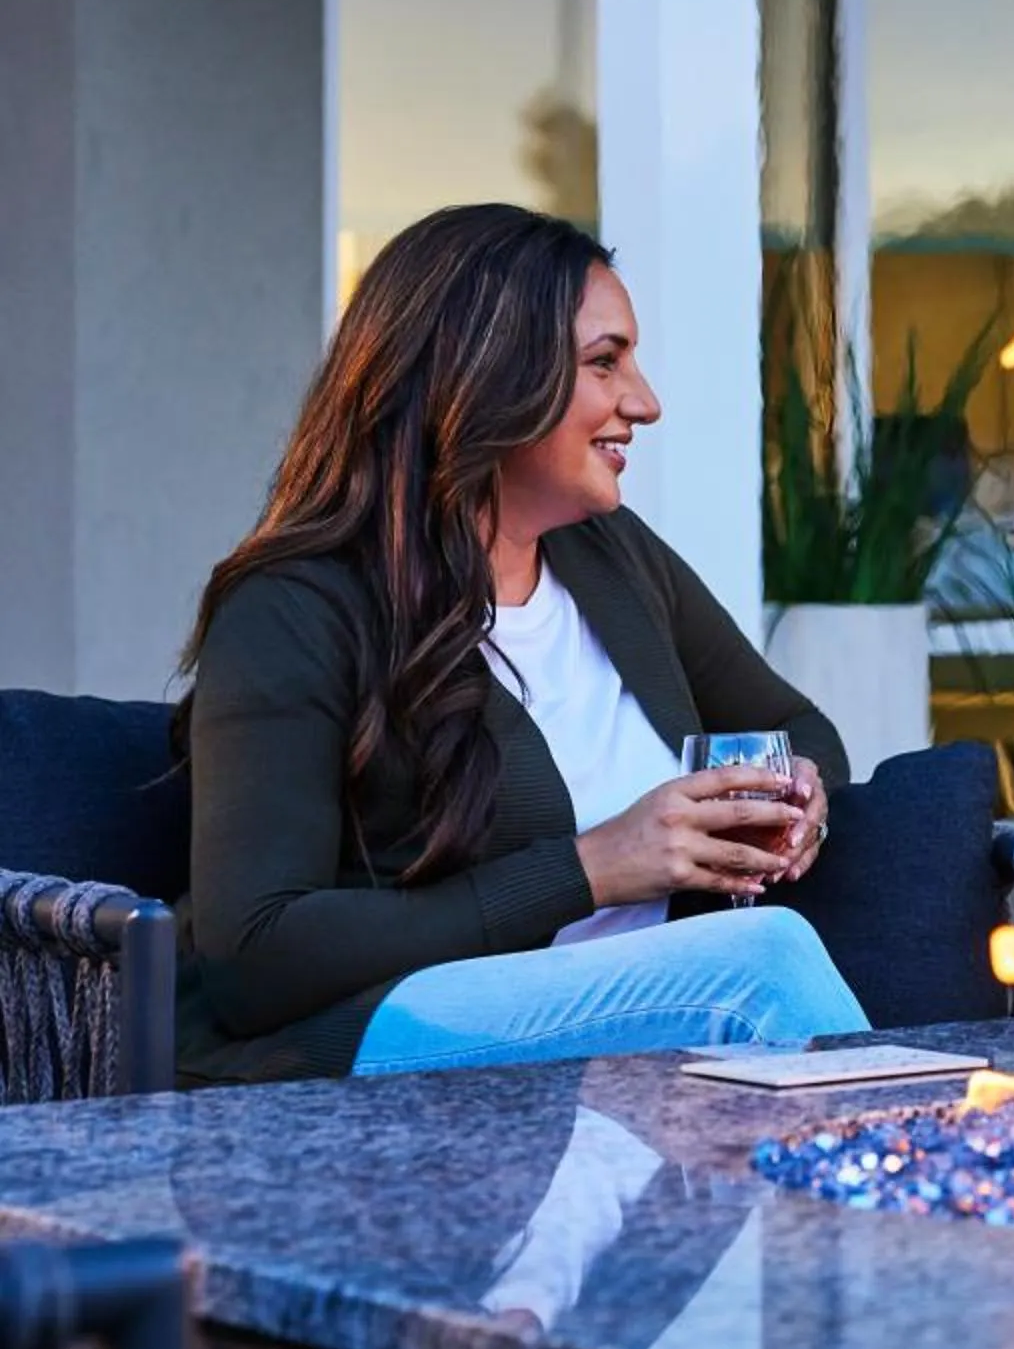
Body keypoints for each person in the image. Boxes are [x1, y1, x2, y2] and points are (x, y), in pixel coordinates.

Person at [173, 204, 872, 1084]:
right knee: (758, 968)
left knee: (755, 974)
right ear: (485, 376)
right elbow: (254, 952)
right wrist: (593, 868)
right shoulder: (295, 609)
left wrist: (801, 798)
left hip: (618, 1055)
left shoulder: (613, 560)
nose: (644, 403)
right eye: (605, 362)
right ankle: (932, 1163)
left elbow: (797, 727)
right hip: (364, 1056)